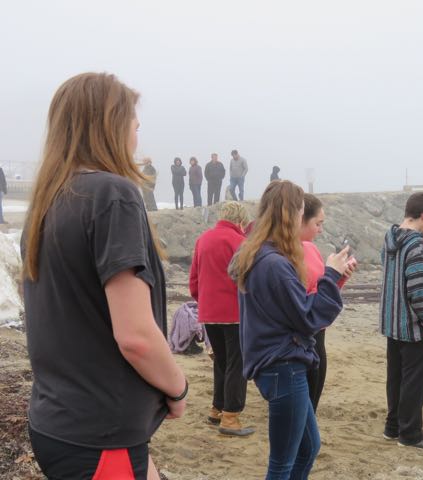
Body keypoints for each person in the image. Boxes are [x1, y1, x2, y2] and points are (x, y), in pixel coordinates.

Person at [21, 72, 187, 480]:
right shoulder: (113, 195)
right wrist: (177, 387)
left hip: (56, 421)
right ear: (111, 127)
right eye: (134, 127)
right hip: (100, 434)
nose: (136, 139)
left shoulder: (48, 204)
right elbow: (136, 337)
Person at [230, 180, 349, 479]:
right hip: (283, 366)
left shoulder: (257, 253)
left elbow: (293, 309)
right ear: (290, 214)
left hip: (276, 362)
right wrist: (331, 275)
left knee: (308, 448)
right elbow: (307, 318)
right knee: (282, 462)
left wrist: (332, 279)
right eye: (300, 211)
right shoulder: (274, 263)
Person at [380, 192, 423, 450]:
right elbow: (420, 289)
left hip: (393, 323)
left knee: (396, 379)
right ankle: (411, 434)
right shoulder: (415, 246)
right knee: (417, 382)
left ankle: (393, 427)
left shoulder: (390, 239)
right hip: (414, 328)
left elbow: (395, 270)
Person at [189, 201, 255, 437]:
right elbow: (248, 279)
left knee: (221, 361)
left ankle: (216, 409)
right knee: (237, 363)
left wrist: (204, 300)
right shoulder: (241, 242)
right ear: (241, 221)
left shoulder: (203, 239)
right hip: (234, 312)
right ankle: (231, 416)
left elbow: (194, 279)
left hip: (209, 311)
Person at [300, 193, 355, 412]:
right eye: (318, 224)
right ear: (301, 219)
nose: (321, 230)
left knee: (311, 405)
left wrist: (339, 277)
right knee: (301, 409)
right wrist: (330, 275)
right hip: (302, 338)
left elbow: (322, 291)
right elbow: (303, 303)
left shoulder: (311, 249)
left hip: (318, 336)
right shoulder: (282, 256)